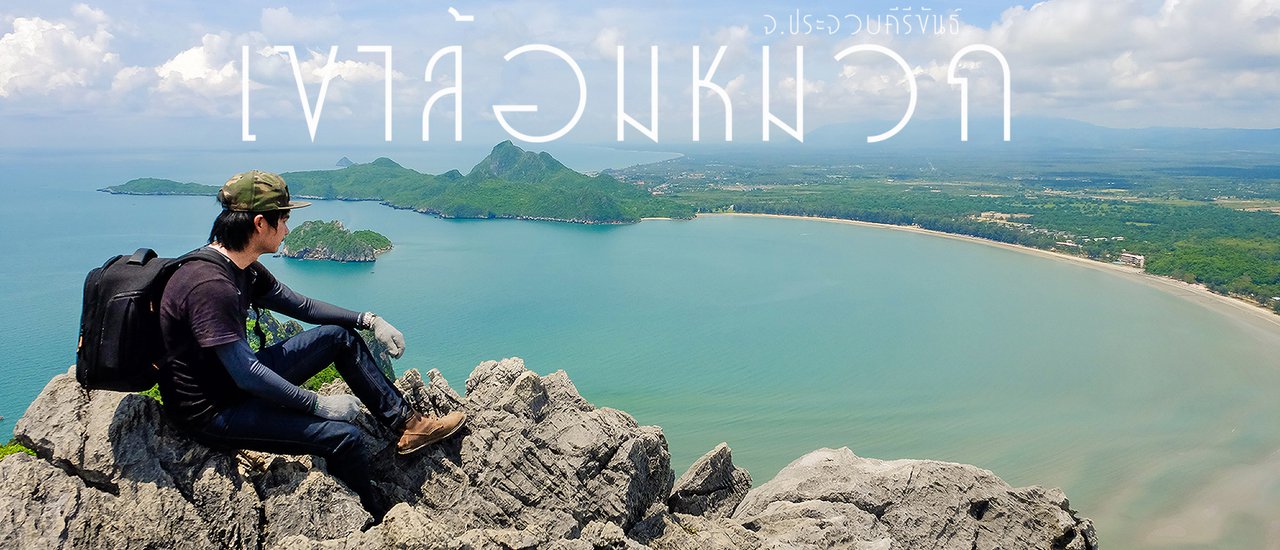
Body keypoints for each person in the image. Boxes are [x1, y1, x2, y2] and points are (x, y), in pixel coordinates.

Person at [157, 170, 465, 519]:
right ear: (260, 223)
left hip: (230, 381)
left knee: (339, 338)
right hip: (213, 409)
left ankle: (409, 426)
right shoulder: (210, 285)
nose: (287, 230)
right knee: (345, 437)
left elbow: (301, 307)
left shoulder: (243, 268)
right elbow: (246, 373)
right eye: (284, 220)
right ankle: (375, 515)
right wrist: (319, 404)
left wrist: (369, 319)